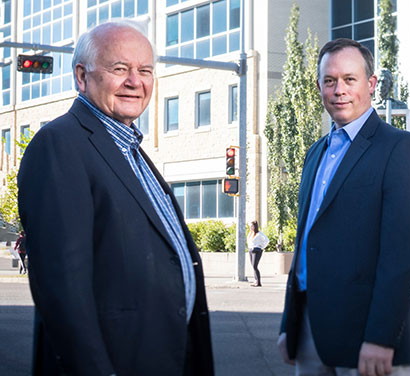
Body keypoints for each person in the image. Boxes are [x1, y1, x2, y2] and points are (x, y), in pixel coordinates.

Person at [17, 21, 213, 375]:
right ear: (82, 76)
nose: (134, 81)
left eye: (145, 71)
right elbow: (63, 291)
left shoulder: (130, 150)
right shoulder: (59, 145)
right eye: (119, 69)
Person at [277, 38, 410, 376]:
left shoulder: (400, 148)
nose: (339, 90)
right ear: (319, 86)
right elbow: (306, 242)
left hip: (370, 338)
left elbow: (404, 254)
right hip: (309, 329)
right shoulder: (315, 154)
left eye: (350, 79)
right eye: (330, 81)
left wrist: (382, 336)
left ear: (371, 84)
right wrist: (289, 324)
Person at [247, 220, 269, 287]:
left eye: (252, 226)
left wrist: (262, 247)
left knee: (255, 266)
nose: (250, 227)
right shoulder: (250, 233)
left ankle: (259, 282)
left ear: (255, 226)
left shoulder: (259, 234)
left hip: (256, 250)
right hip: (250, 250)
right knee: (253, 266)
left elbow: (267, 240)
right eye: (250, 226)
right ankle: (255, 281)